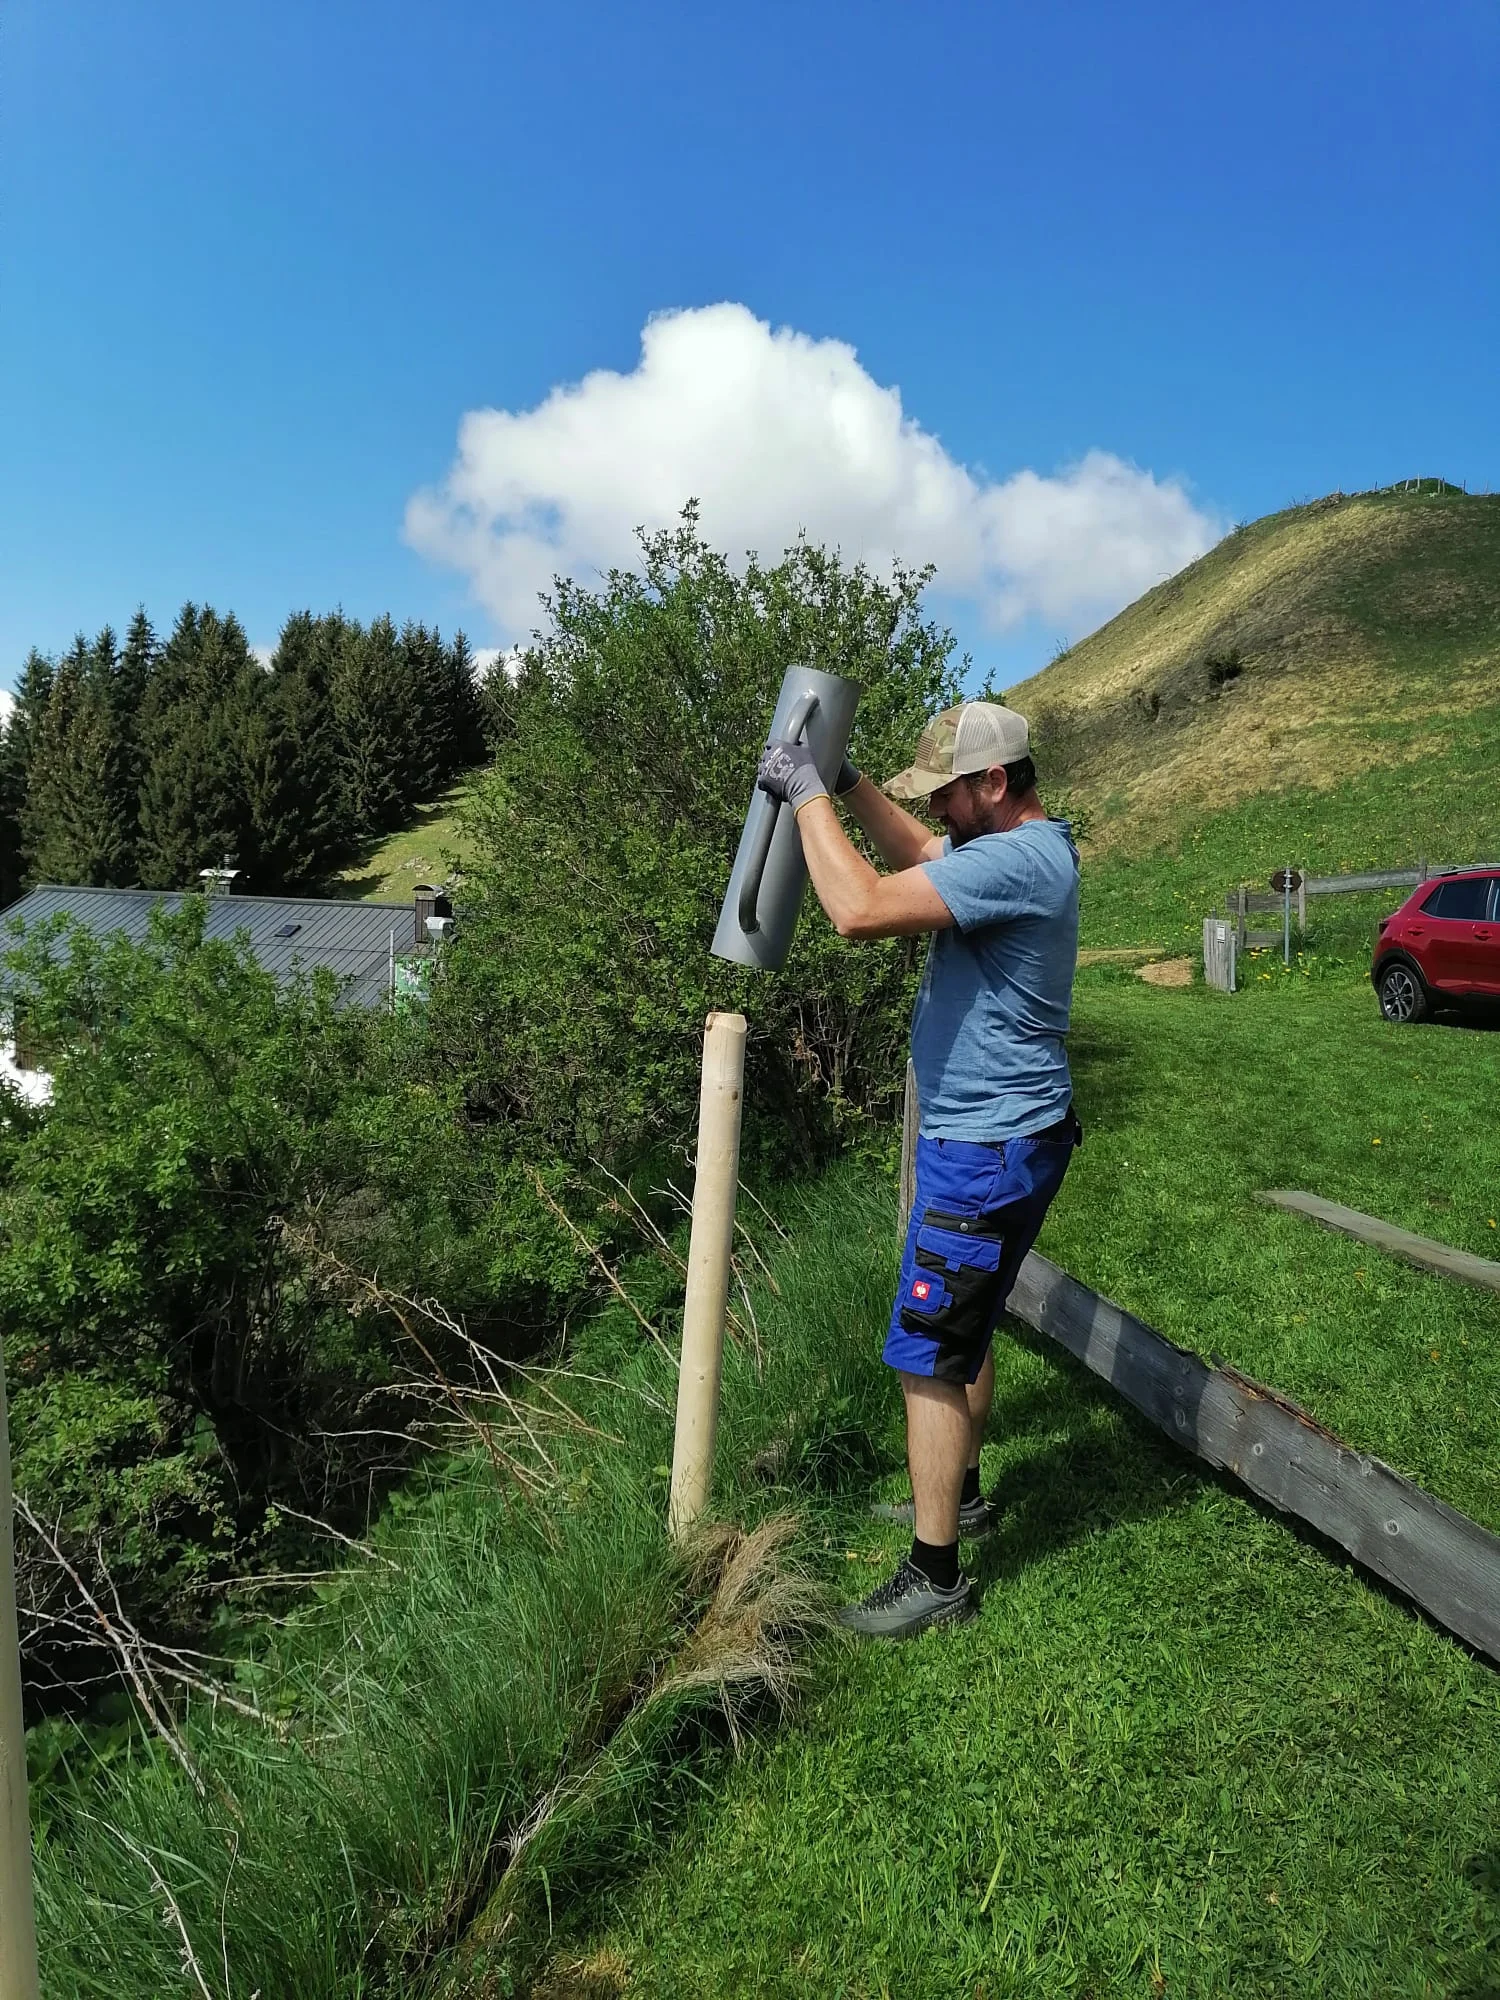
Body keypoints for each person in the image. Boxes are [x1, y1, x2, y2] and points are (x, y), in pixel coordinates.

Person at [756, 699, 1081, 1639]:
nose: (936, 808)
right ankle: (961, 1496)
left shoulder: (1017, 861)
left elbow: (858, 908)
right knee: (965, 1329)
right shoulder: (1008, 848)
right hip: (1005, 1138)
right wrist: (850, 782)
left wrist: (806, 794)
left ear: (995, 782)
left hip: (986, 1150)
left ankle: (935, 1576)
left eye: (947, 791)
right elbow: (920, 854)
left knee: (930, 1350)